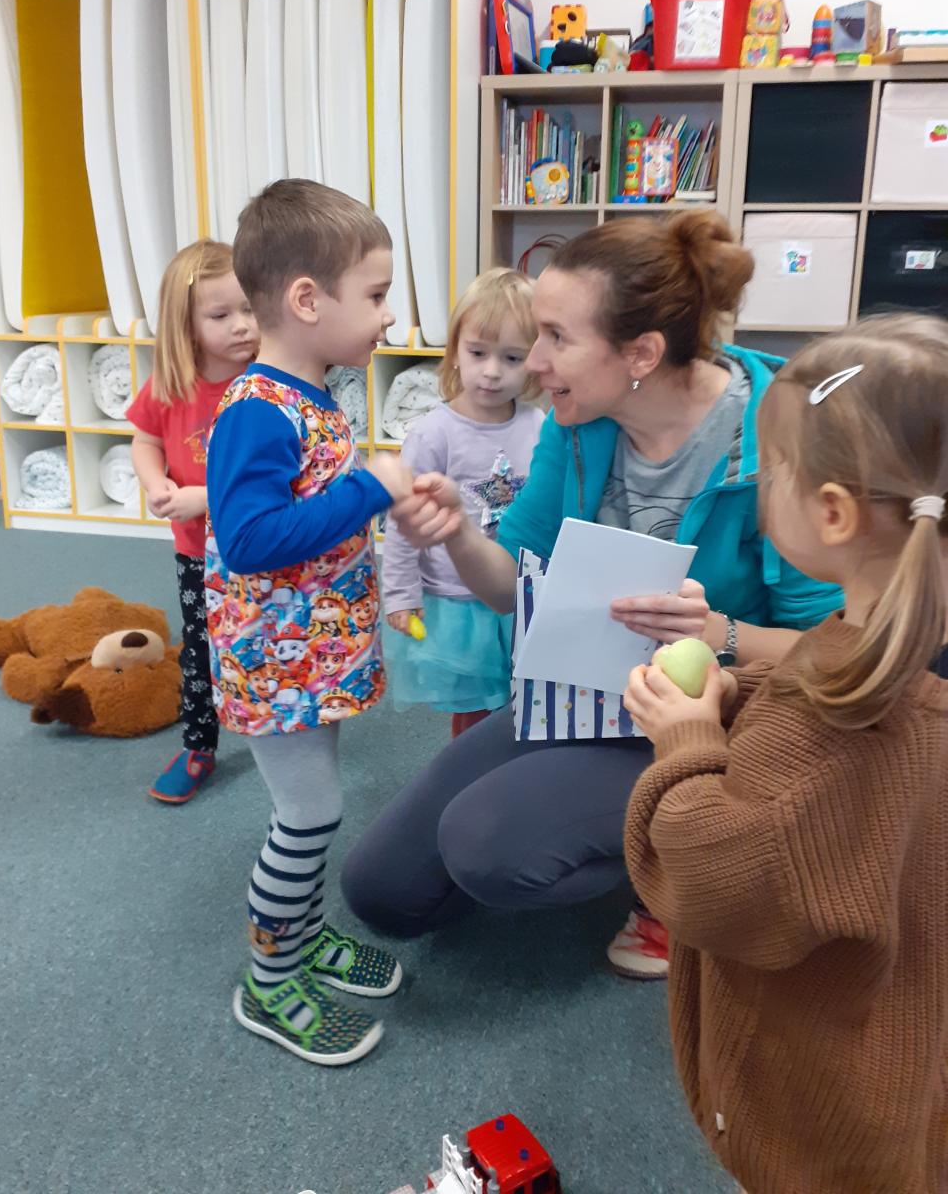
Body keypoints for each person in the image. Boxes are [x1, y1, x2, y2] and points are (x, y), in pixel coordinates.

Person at [341, 210, 841, 982]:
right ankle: (644, 828)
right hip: (581, 699)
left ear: (641, 354)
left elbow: (837, 652)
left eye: (555, 337)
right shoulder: (577, 425)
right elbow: (508, 588)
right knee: (383, 894)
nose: (533, 361)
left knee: (486, 846)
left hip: (718, 723)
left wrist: (719, 634)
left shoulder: (782, 441)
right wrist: (456, 535)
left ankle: (693, 874)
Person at [622, 314, 948, 1194]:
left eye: (773, 473)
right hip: (909, 1042)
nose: (762, 489)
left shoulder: (831, 729)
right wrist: (745, 692)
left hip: (820, 1101)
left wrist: (686, 742)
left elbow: (714, 885)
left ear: (832, 512)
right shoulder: (899, 670)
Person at [205, 179, 415, 1066]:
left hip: (310, 659)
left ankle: (304, 933)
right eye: (376, 294)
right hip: (273, 662)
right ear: (306, 299)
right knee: (309, 813)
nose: (388, 316)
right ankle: (268, 978)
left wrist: (372, 495)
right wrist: (369, 489)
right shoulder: (258, 410)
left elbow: (311, 512)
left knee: (315, 809)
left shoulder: (312, 392)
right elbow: (250, 540)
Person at [382, 268, 544, 738]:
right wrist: (401, 593)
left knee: (523, 702)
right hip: (456, 602)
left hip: (520, 592)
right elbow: (404, 522)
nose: (492, 371)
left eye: (512, 357)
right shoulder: (433, 433)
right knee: (474, 717)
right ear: (455, 350)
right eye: (478, 353)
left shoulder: (538, 425)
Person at [128, 239, 259, 804]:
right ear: (186, 324)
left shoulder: (266, 383)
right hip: (195, 551)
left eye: (249, 308)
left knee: (261, 638)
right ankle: (199, 745)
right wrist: (155, 483)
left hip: (259, 545)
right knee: (200, 649)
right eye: (221, 314)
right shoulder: (170, 384)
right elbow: (145, 441)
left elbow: (274, 476)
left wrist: (201, 498)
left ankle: (277, 727)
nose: (242, 325)